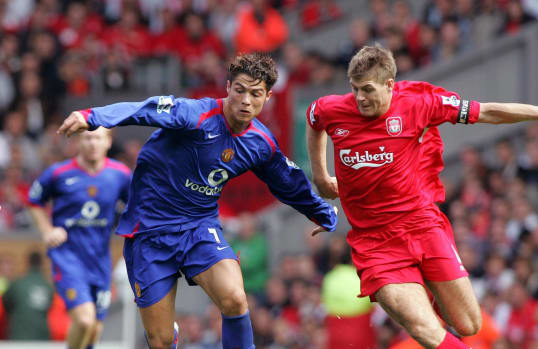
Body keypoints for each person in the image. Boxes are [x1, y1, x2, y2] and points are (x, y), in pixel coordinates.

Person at [305, 44, 538, 349]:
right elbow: (315, 124)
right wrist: (321, 176)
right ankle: (410, 293)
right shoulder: (332, 108)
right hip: (376, 242)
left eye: (366, 89)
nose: (359, 98)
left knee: (469, 324)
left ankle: (424, 287)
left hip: (423, 226)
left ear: (389, 84)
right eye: (354, 89)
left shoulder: (420, 103)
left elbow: (487, 111)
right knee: (424, 329)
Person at [57, 53, 338, 349]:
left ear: (267, 97)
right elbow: (144, 109)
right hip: (149, 233)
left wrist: (321, 213)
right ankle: (172, 336)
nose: (245, 100)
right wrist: (91, 117)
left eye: (255, 94)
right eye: (239, 89)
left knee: (234, 298)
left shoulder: (260, 142)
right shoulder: (193, 114)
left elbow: (287, 180)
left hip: (198, 228)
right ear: (227, 86)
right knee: (161, 341)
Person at [27, 127, 131, 349]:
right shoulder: (59, 173)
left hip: (100, 261)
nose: (92, 143)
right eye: (87, 138)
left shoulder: (120, 174)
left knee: (94, 330)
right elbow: (34, 201)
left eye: (98, 138)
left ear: (108, 142)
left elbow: (137, 207)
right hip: (68, 256)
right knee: (84, 320)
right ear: (78, 142)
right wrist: (47, 231)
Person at [2, 251, 53, 340]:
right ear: (42, 264)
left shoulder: (17, 284)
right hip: (42, 337)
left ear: (27, 263)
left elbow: (5, 304)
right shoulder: (48, 286)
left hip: (19, 336)